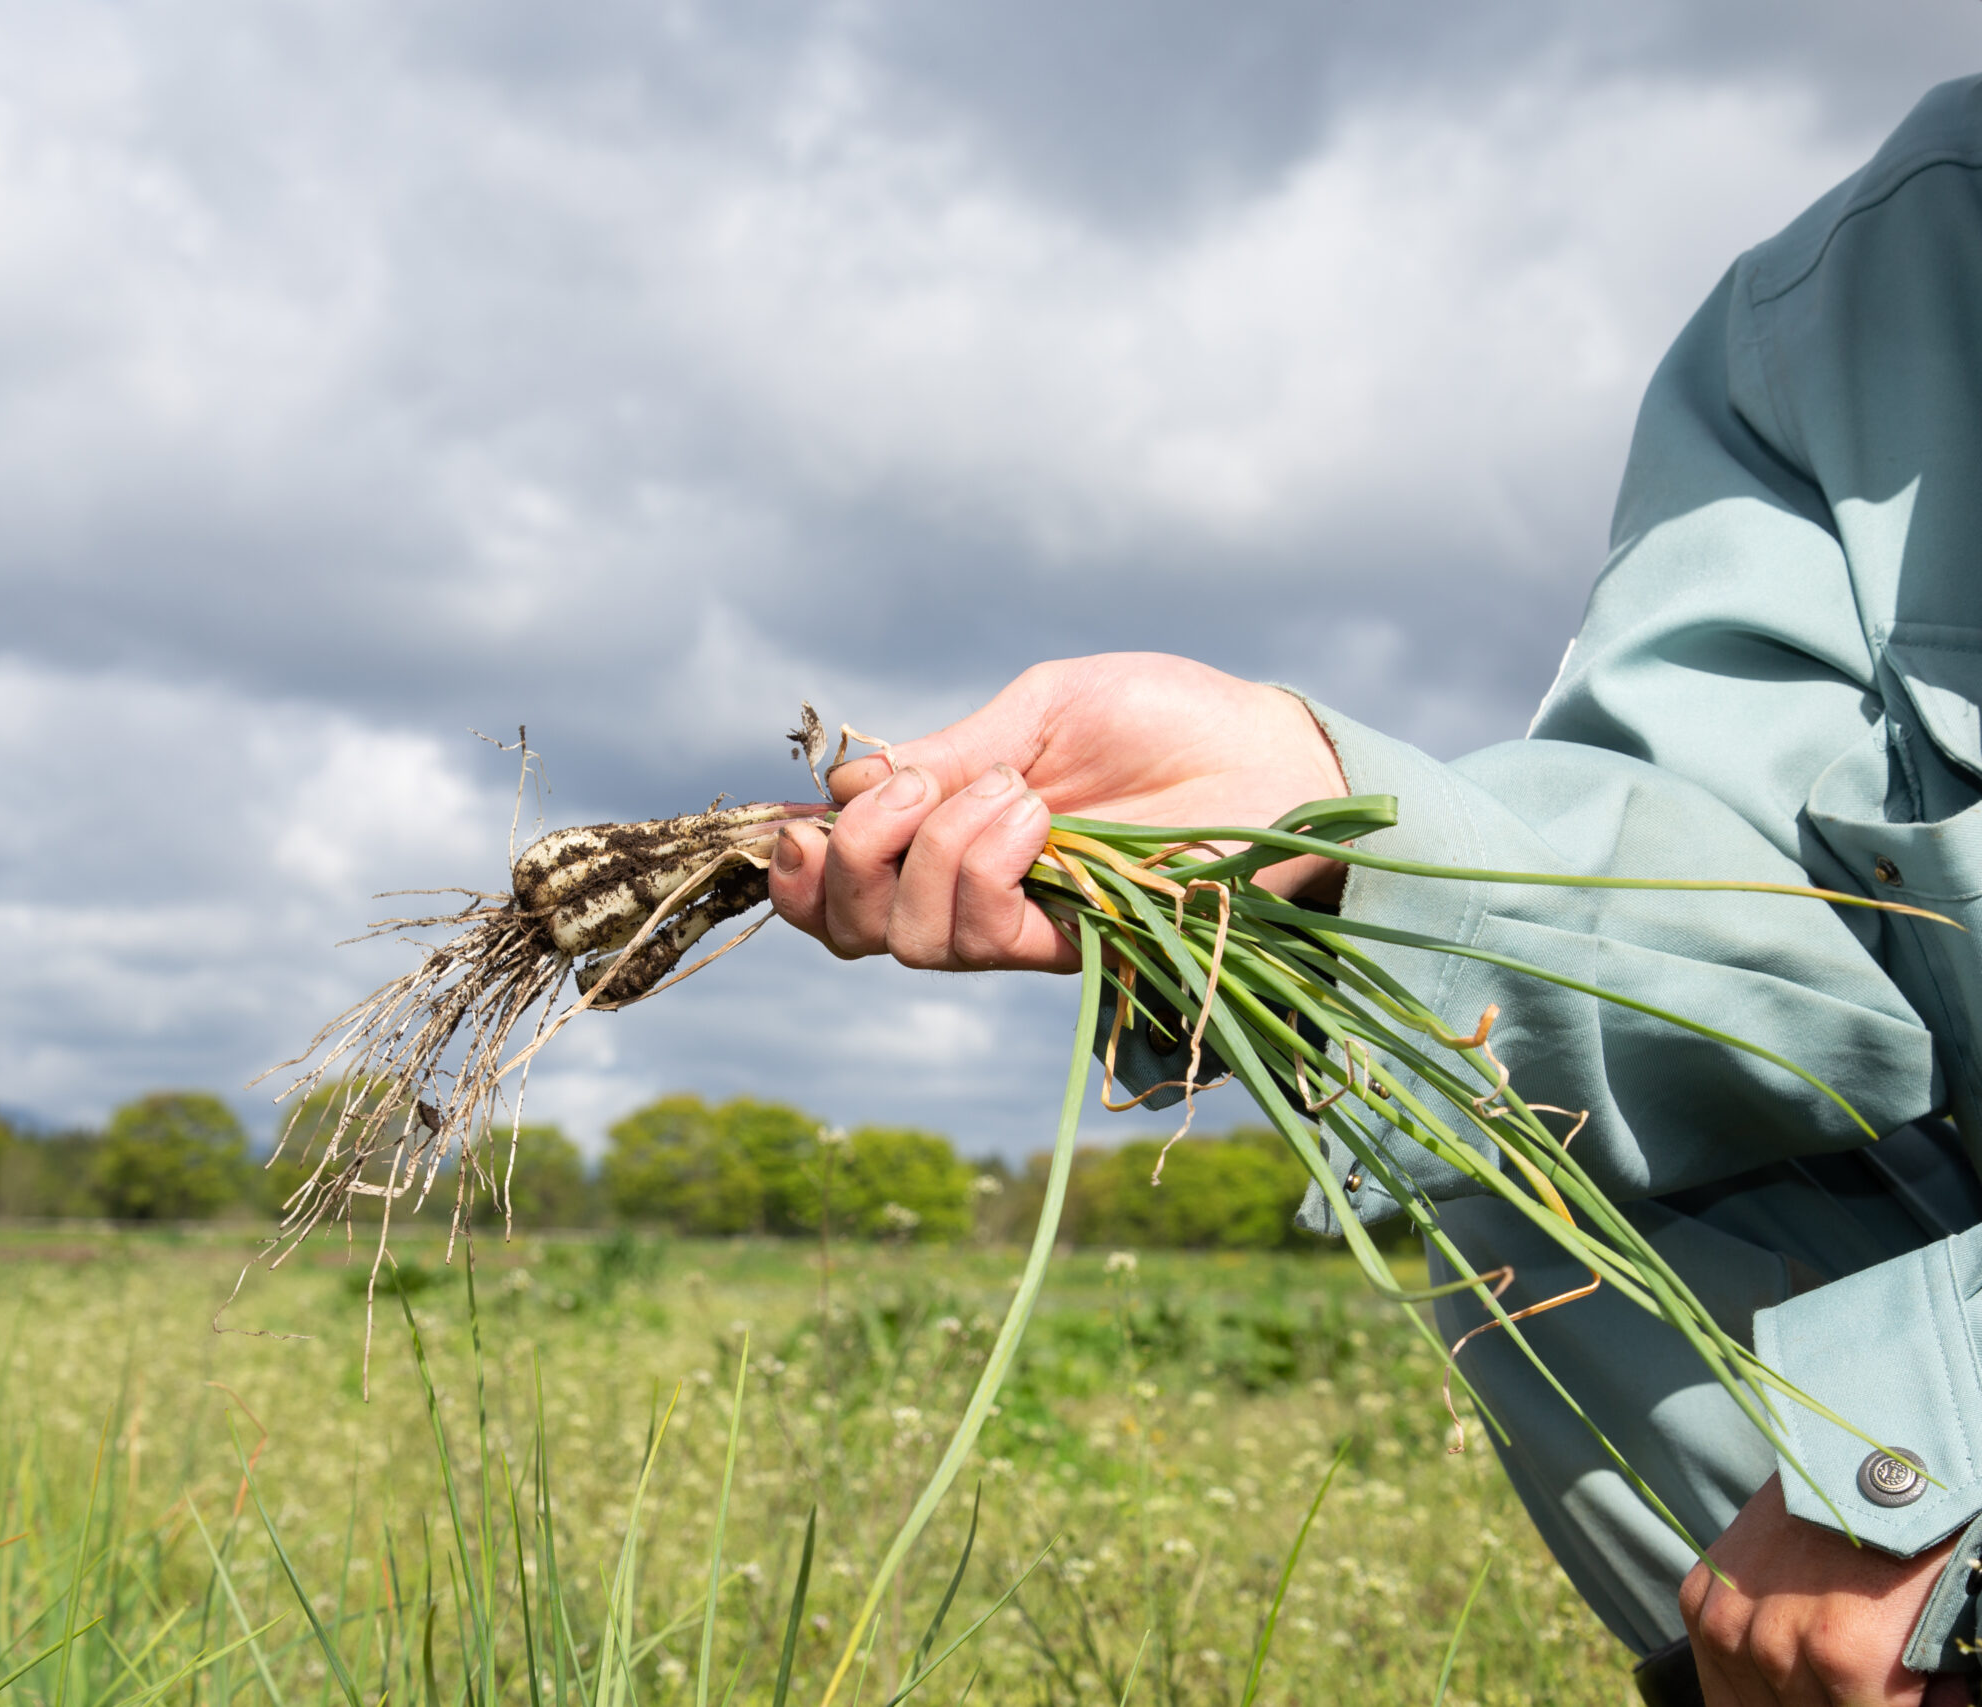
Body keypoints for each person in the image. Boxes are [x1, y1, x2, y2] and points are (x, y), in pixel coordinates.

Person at [768, 74, 1982, 1707]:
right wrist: (1330, 850)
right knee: (1503, 1139)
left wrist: (1942, 1435)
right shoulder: (1856, 295)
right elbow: (1786, 938)